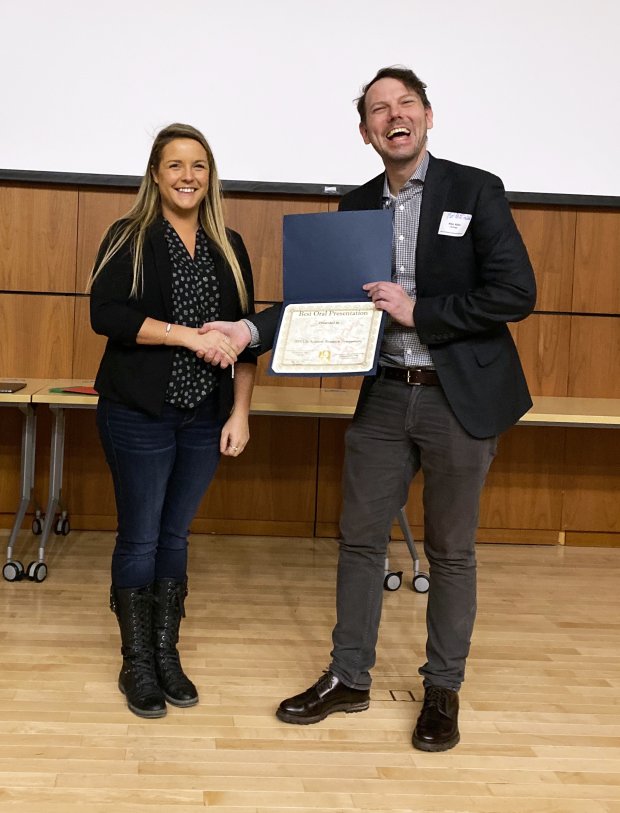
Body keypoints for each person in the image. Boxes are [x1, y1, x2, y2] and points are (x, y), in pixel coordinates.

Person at [202, 66, 537, 751]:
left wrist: (424, 312)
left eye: (404, 103)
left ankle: (442, 689)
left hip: (458, 397)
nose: (393, 116)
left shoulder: (475, 190)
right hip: (385, 394)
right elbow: (317, 301)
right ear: (366, 132)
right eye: (378, 110)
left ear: (427, 116)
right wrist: (248, 331)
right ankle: (348, 676)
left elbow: (516, 293)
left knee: (451, 551)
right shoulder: (356, 205)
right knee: (359, 541)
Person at [89, 123, 257, 719]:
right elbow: (104, 314)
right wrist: (184, 335)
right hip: (138, 414)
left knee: (175, 536)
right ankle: (136, 663)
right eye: (176, 165)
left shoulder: (230, 245)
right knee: (139, 535)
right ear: (155, 175)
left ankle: (166, 653)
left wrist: (240, 412)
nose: (188, 177)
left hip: (205, 417)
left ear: (210, 177)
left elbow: (246, 341)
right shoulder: (129, 235)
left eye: (199, 167)